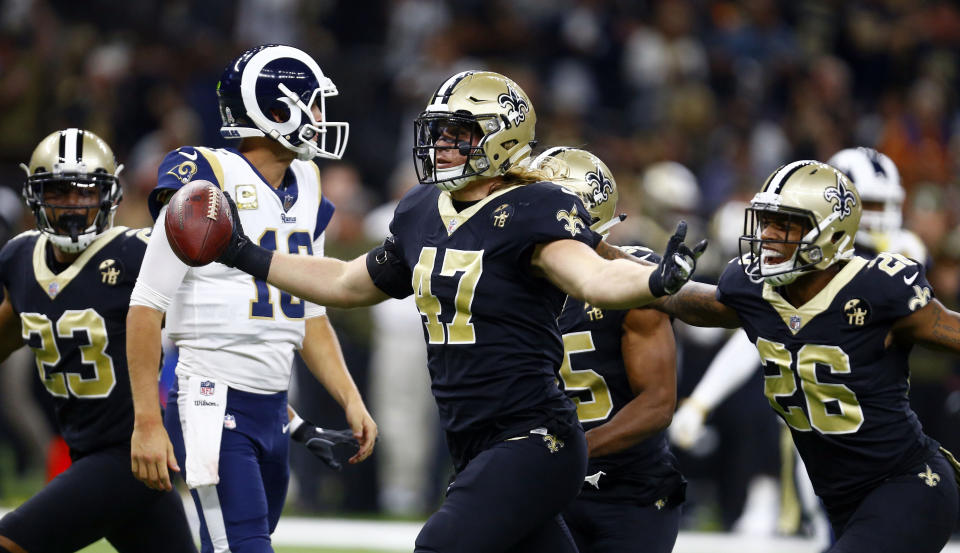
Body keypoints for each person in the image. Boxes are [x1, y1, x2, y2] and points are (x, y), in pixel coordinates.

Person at [211, 69, 705, 553]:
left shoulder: (536, 206)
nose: (442, 144)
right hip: (472, 443)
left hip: (534, 437)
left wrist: (654, 279)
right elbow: (345, 281)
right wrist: (243, 252)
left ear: (502, 139)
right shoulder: (423, 207)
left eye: (460, 133)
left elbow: (589, 276)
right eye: (439, 131)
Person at [126, 44, 377, 553]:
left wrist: (349, 397)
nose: (322, 117)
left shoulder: (306, 180)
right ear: (275, 111)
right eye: (313, 103)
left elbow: (309, 312)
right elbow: (146, 306)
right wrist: (147, 421)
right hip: (209, 397)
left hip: (272, 409)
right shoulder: (204, 176)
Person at [652, 159, 960, 553]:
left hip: (908, 486)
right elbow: (681, 301)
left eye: (786, 225)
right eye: (765, 222)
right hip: (839, 498)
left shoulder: (879, 288)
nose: (768, 236)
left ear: (829, 235)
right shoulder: (752, 289)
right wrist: (616, 260)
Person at [0, 129, 197, 553]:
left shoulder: (134, 253)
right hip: (94, 452)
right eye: (59, 191)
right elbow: (8, 329)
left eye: (85, 192)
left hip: (129, 453)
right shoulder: (18, 258)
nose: (73, 204)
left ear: (108, 194)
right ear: (36, 195)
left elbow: (204, 313)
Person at [531, 147, 686, 553]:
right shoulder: (509, 281)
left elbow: (657, 403)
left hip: (629, 490)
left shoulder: (631, 279)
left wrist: (574, 452)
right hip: (542, 485)